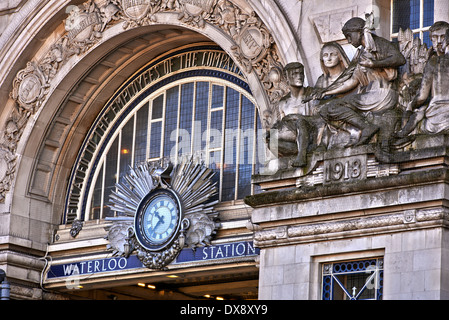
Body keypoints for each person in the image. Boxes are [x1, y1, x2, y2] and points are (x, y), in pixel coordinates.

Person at [316, 17, 406, 147]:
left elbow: (400, 59)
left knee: (331, 108)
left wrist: (374, 63)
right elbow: (352, 82)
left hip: (382, 94)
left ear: (359, 32)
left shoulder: (378, 43)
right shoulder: (363, 53)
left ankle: (365, 128)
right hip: (371, 95)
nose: (348, 40)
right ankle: (360, 129)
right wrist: (326, 92)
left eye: (349, 35)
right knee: (326, 110)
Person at [395, 21, 449, 137]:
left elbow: (422, 97)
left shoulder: (434, 62)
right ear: (431, 39)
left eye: (443, 37)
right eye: (435, 37)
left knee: (414, 124)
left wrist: (410, 106)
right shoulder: (432, 60)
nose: (439, 41)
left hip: (438, 120)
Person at [267, 62, 323, 167]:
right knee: (272, 142)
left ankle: (302, 155)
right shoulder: (283, 103)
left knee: (300, 122)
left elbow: (319, 119)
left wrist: (295, 117)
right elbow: (278, 126)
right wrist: (269, 134)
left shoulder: (311, 94)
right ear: (287, 78)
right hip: (292, 138)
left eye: (301, 74)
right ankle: (299, 152)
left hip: (310, 133)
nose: (299, 77)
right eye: (295, 74)